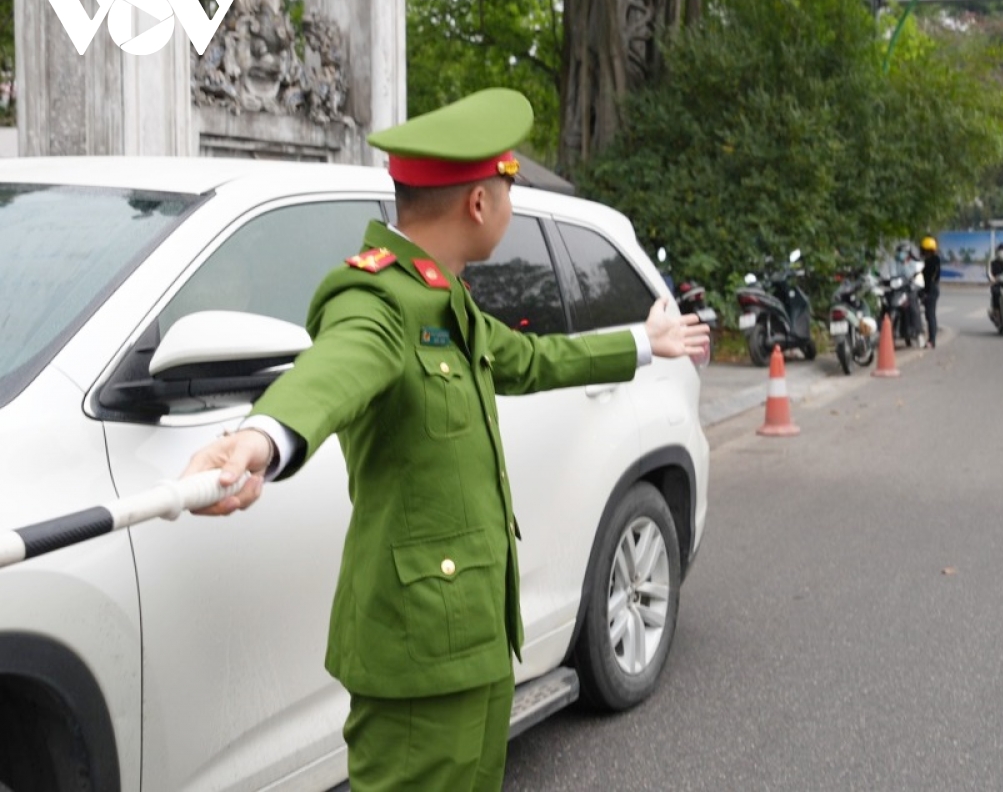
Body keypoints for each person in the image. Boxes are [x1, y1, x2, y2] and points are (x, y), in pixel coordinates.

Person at [179, 88, 710, 792]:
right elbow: (336, 367)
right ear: (480, 204)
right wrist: (264, 438)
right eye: (509, 191)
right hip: (418, 658)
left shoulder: (445, 300)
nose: (510, 209)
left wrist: (647, 340)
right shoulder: (374, 301)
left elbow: (533, 360)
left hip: (473, 640)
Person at [919, 235, 941, 348]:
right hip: (927, 289)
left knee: (930, 315)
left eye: (927, 251)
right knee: (928, 315)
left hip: (931, 290)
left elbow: (930, 278)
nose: (925, 253)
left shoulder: (934, 261)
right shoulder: (928, 261)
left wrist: (926, 292)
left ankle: (932, 340)